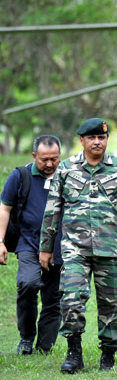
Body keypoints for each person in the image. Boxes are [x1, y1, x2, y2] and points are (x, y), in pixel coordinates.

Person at [39, 118, 117, 373]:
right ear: (81, 140)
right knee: (71, 299)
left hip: (110, 249)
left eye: (102, 137)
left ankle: (108, 354)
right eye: (92, 137)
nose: (97, 142)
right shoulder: (66, 169)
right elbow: (52, 211)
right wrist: (46, 248)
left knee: (112, 305)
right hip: (74, 250)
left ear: (106, 140)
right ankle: (74, 352)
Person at [0, 135, 62, 355]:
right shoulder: (21, 175)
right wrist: (0, 241)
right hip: (29, 243)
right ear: (34, 155)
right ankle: (26, 338)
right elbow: (5, 208)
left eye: (54, 159)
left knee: (53, 297)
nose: (49, 164)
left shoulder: (68, 176)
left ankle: (45, 346)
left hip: (60, 245)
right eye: (44, 159)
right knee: (27, 284)